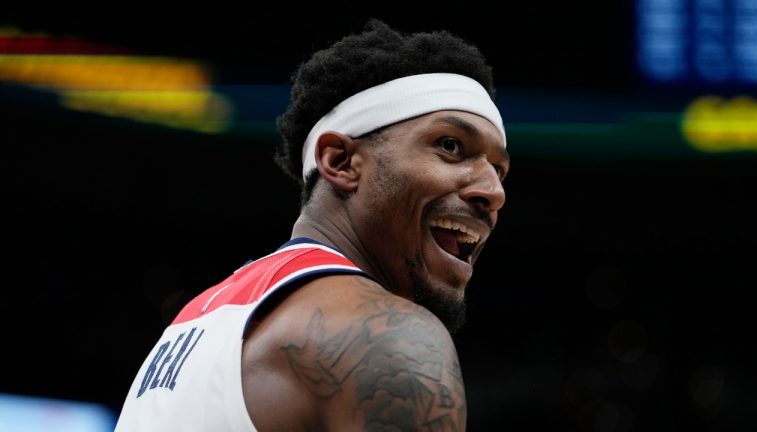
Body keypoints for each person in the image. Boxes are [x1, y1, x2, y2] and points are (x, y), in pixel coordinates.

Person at [114, 18, 508, 432]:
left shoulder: (192, 325)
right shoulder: (389, 337)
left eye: (500, 170)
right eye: (450, 146)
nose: (493, 191)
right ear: (340, 161)